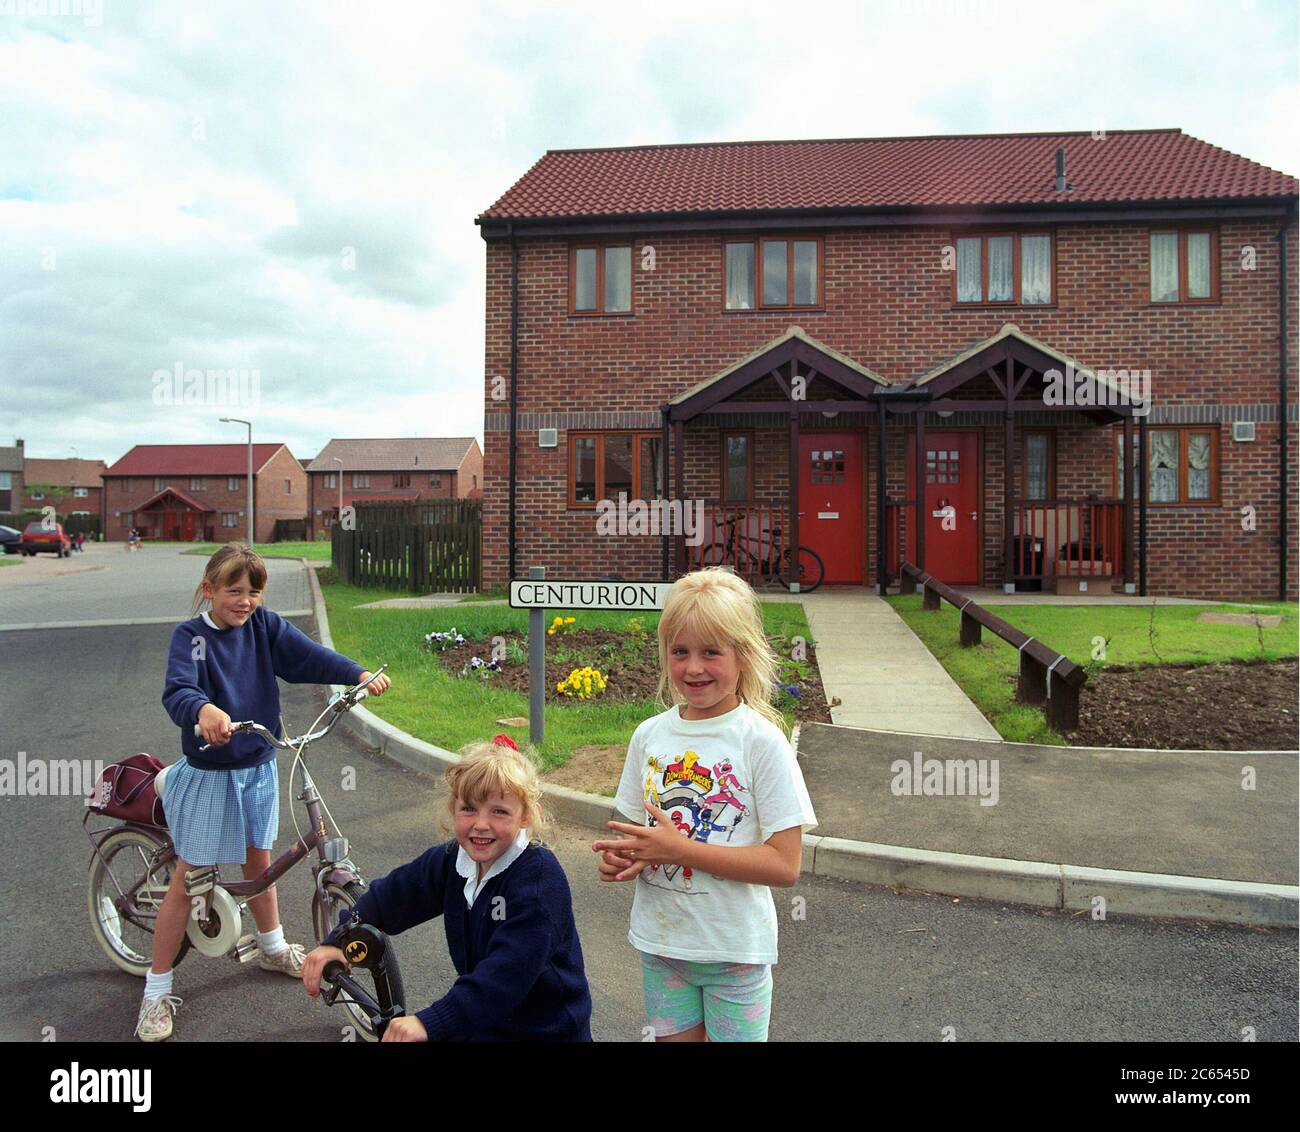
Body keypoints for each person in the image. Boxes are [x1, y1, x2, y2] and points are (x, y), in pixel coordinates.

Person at [137, 542, 391, 1041]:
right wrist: (202, 710)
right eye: (234, 591)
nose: (246, 601)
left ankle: (272, 947)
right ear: (208, 589)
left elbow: (305, 655)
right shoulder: (192, 637)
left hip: (257, 765)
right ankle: (155, 990)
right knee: (190, 879)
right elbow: (178, 689)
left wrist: (355, 673)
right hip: (210, 773)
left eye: (254, 591)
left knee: (261, 861)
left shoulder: (262, 626)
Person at [592, 567, 817, 1043]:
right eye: (680, 652)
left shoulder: (761, 742)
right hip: (662, 946)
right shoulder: (648, 735)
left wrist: (681, 852)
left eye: (711, 652)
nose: (694, 668)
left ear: (744, 656)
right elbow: (638, 833)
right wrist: (623, 857)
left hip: (734, 953)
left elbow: (785, 865)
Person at [303, 735, 592, 1042]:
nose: (481, 824)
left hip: (547, 1032)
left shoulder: (538, 881)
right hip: (485, 1021)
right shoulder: (454, 859)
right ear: (453, 809)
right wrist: (340, 939)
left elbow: (505, 975)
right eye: (469, 809)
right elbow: (393, 896)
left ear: (526, 816)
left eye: (499, 812)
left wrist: (431, 1022)